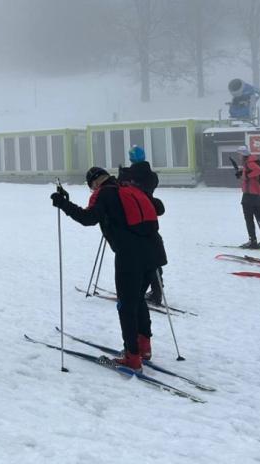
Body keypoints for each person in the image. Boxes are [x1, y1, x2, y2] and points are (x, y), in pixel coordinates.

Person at [51, 167, 167, 371]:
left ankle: (132, 356)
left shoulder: (103, 194)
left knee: (126, 305)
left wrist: (63, 203)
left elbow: (88, 219)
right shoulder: (130, 188)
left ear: (95, 183)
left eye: (91, 187)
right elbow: (159, 208)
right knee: (138, 299)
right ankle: (144, 346)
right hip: (154, 252)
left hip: (129, 256)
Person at [118, 145, 164, 304]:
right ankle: (157, 289)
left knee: (139, 255)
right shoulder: (151, 175)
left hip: (134, 217)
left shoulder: (129, 175)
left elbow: (123, 192)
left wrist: (122, 177)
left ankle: (143, 290)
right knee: (153, 253)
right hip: (150, 215)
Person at [235, 146, 260, 249]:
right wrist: (243, 173)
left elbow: (258, 171)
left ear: (243, 154)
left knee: (249, 218)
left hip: (250, 194)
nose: (238, 156)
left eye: (239, 154)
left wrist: (245, 176)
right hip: (259, 194)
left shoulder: (250, 163)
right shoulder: (253, 161)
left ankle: (252, 240)